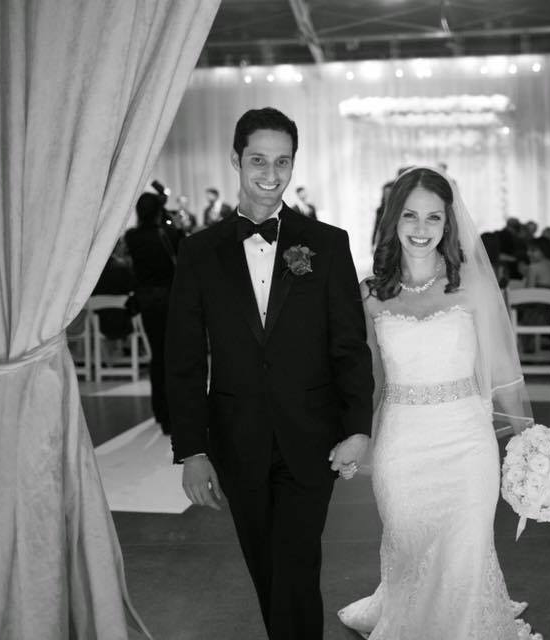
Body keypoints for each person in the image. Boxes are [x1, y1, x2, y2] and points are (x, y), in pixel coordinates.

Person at [165, 107, 373, 639]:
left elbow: (349, 346)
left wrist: (357, 428)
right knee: (266, 565)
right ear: (236, 160)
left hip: (313, 436)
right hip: (236, 438)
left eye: (282, 161)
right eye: (258, 159)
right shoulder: (198, 251)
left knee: (296, 561)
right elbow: (184, 360)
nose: (270, 172)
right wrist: (192, 450)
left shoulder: (327, 243)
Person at [338, 167, 541, 640]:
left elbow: (505, 377)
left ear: (448, 223)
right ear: (393, 219)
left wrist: (532, 446)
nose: (421, 228)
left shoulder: (473, 286)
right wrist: (354, 438)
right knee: (412, 553)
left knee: (466, 551)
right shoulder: (370, 294)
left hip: (468, 445)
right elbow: (368, 381)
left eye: (433, 217)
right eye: (410, 215)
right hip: (402, 448)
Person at [125, 193, 183, 435]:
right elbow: (182, 253)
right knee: (174, 357)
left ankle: (160, 411)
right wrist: (171, 220)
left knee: (157, 356)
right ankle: (174, 413)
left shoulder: (131, 237)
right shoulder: (168, 234)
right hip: (170, 299)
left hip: (147, 301)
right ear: (159, 211)